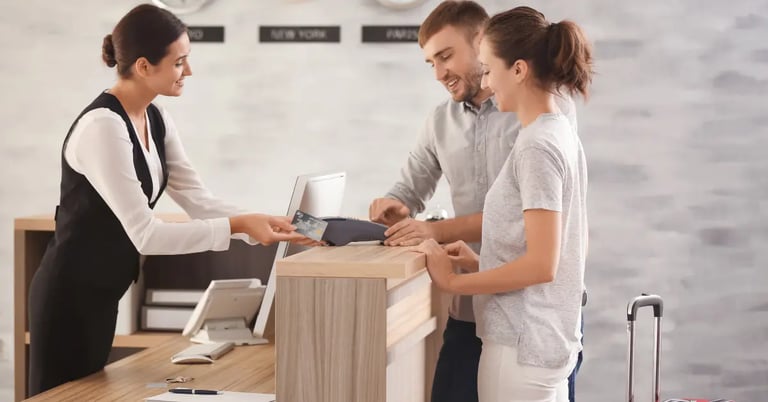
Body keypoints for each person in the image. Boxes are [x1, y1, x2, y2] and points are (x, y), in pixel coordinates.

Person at [27, 4, 308, 395]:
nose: (188, 71)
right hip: (67, 300)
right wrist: (239, 226)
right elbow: (147, 235)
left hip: (104, 294)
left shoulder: (155, 117)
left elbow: (197, 199)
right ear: (143, 66)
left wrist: (263, 221)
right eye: (180, 62)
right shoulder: (103, 126)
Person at [368, 2, 581, 402]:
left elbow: (530, 230)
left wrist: (440, 247)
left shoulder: (541, 117)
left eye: (446, 56)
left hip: (529, 318)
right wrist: (394, 206)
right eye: (430, 62)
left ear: (482, 44)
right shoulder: (440, 122)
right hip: (475, 308)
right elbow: (409, 189)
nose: (439, 73)